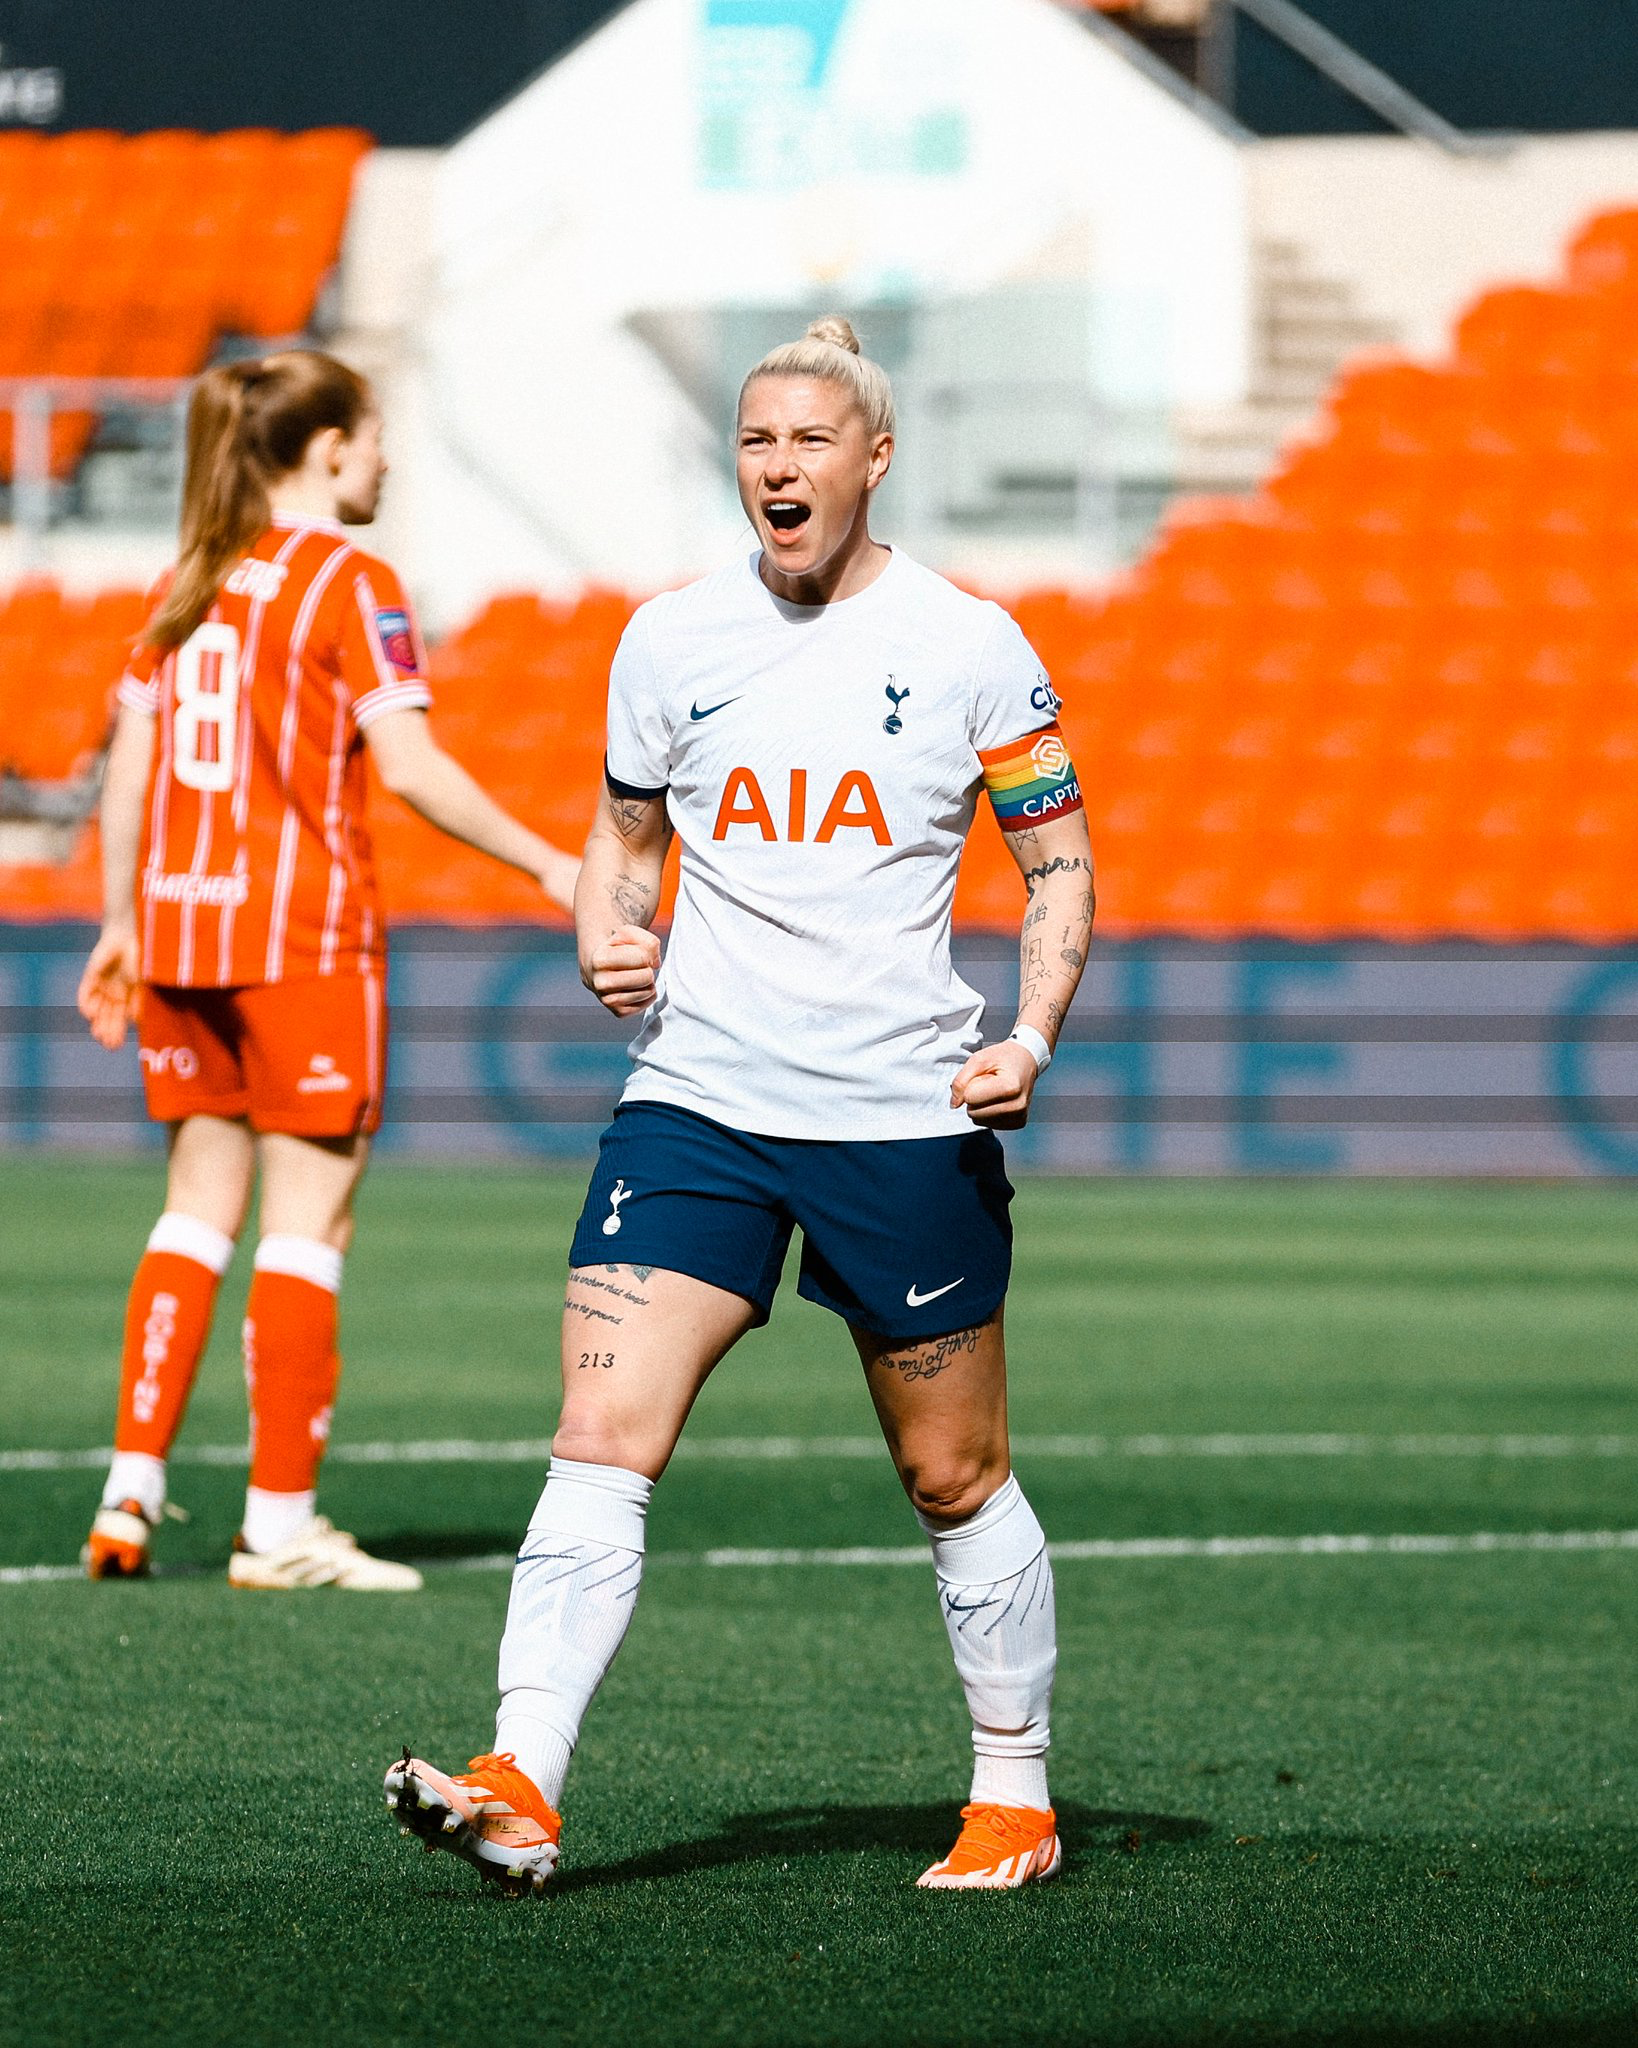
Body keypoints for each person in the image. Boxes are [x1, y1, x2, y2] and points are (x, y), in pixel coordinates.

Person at [384, 316, 1094, 1885]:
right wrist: (605, 929)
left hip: (900, 1119)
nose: (778, 465)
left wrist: (1031, 1036)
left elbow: (1055, 863)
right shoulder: (668, 640)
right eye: (756, 440)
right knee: (597, 1436)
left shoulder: (972, 643)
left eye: (808, 440)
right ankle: (523, 1775)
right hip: (694, 1104)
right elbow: (623, 839)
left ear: (873, 458)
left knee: (950, 1473)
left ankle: (1014, 1796)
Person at [79, 349, 579, 1591]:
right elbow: (407, 766)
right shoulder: (351, 579)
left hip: (180, 933)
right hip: (301, 941)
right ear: (329, 448)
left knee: (194, 1207)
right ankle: (280, 1522)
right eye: (375, 437)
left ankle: (129, 1490)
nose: (387, 460)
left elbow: (129, 768)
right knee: (308, 1223)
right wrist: (548, 862)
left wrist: (120, 922)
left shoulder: (189, 575)